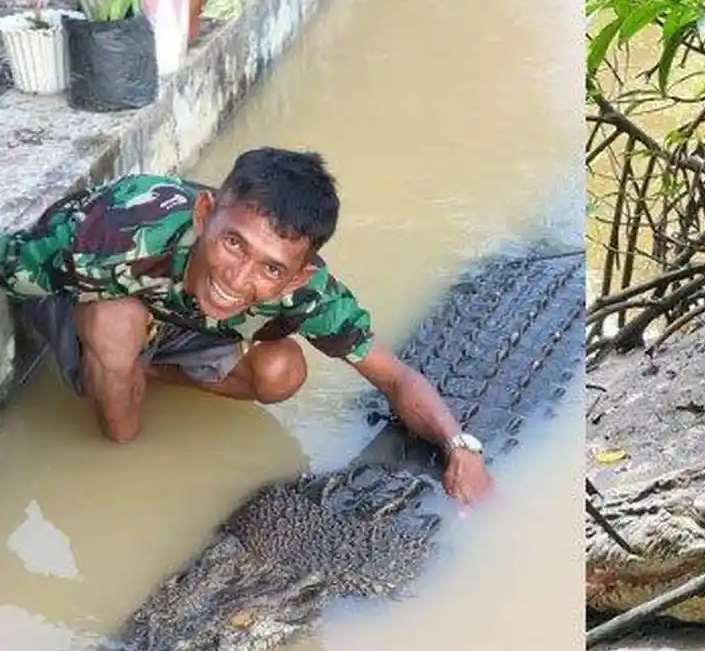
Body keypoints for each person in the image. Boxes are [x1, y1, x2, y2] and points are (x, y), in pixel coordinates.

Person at [0, 147, 493, 506]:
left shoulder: (310, 291)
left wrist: (458, 446)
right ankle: (121, 439)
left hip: (180, 321)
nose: (237, 278)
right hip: (92, 302)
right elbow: (10, 264)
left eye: (271, 268)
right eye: (233, 243)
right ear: (205, 213)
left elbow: (394, 377)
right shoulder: (114, 234)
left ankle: (143, 371)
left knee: (282, 368)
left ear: (297, 275)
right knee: (115, 321)